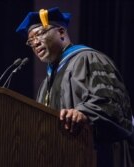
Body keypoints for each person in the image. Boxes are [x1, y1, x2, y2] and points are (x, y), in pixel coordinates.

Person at [16, 7, 134, 167]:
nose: (35, 43)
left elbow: (113, 103)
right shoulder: (46, 83)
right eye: (31, 41)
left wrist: (84, 113)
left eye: (40, 34)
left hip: (97, 156)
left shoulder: (88, 58)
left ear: (61, 32)